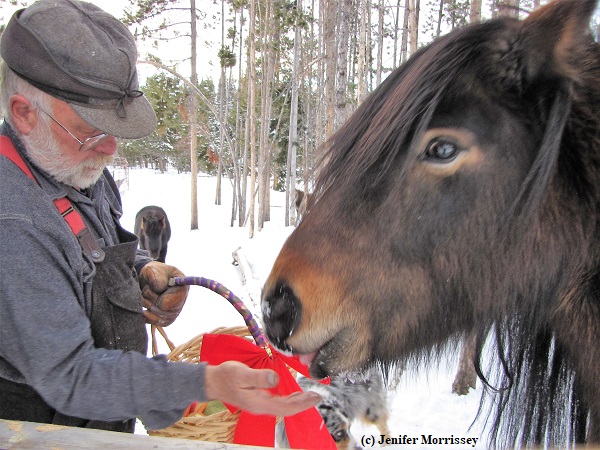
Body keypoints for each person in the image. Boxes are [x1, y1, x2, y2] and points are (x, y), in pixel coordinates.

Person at [0, 0, 319, 434]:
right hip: (40, 433)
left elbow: (91, 247)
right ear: (24, 112)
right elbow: (71, 375)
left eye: (115, 128)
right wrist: (206, 381)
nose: (110, 149)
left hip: (101, 424)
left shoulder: (69, 161)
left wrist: (142, 270)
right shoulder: (13, 222)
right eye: (92, 129)